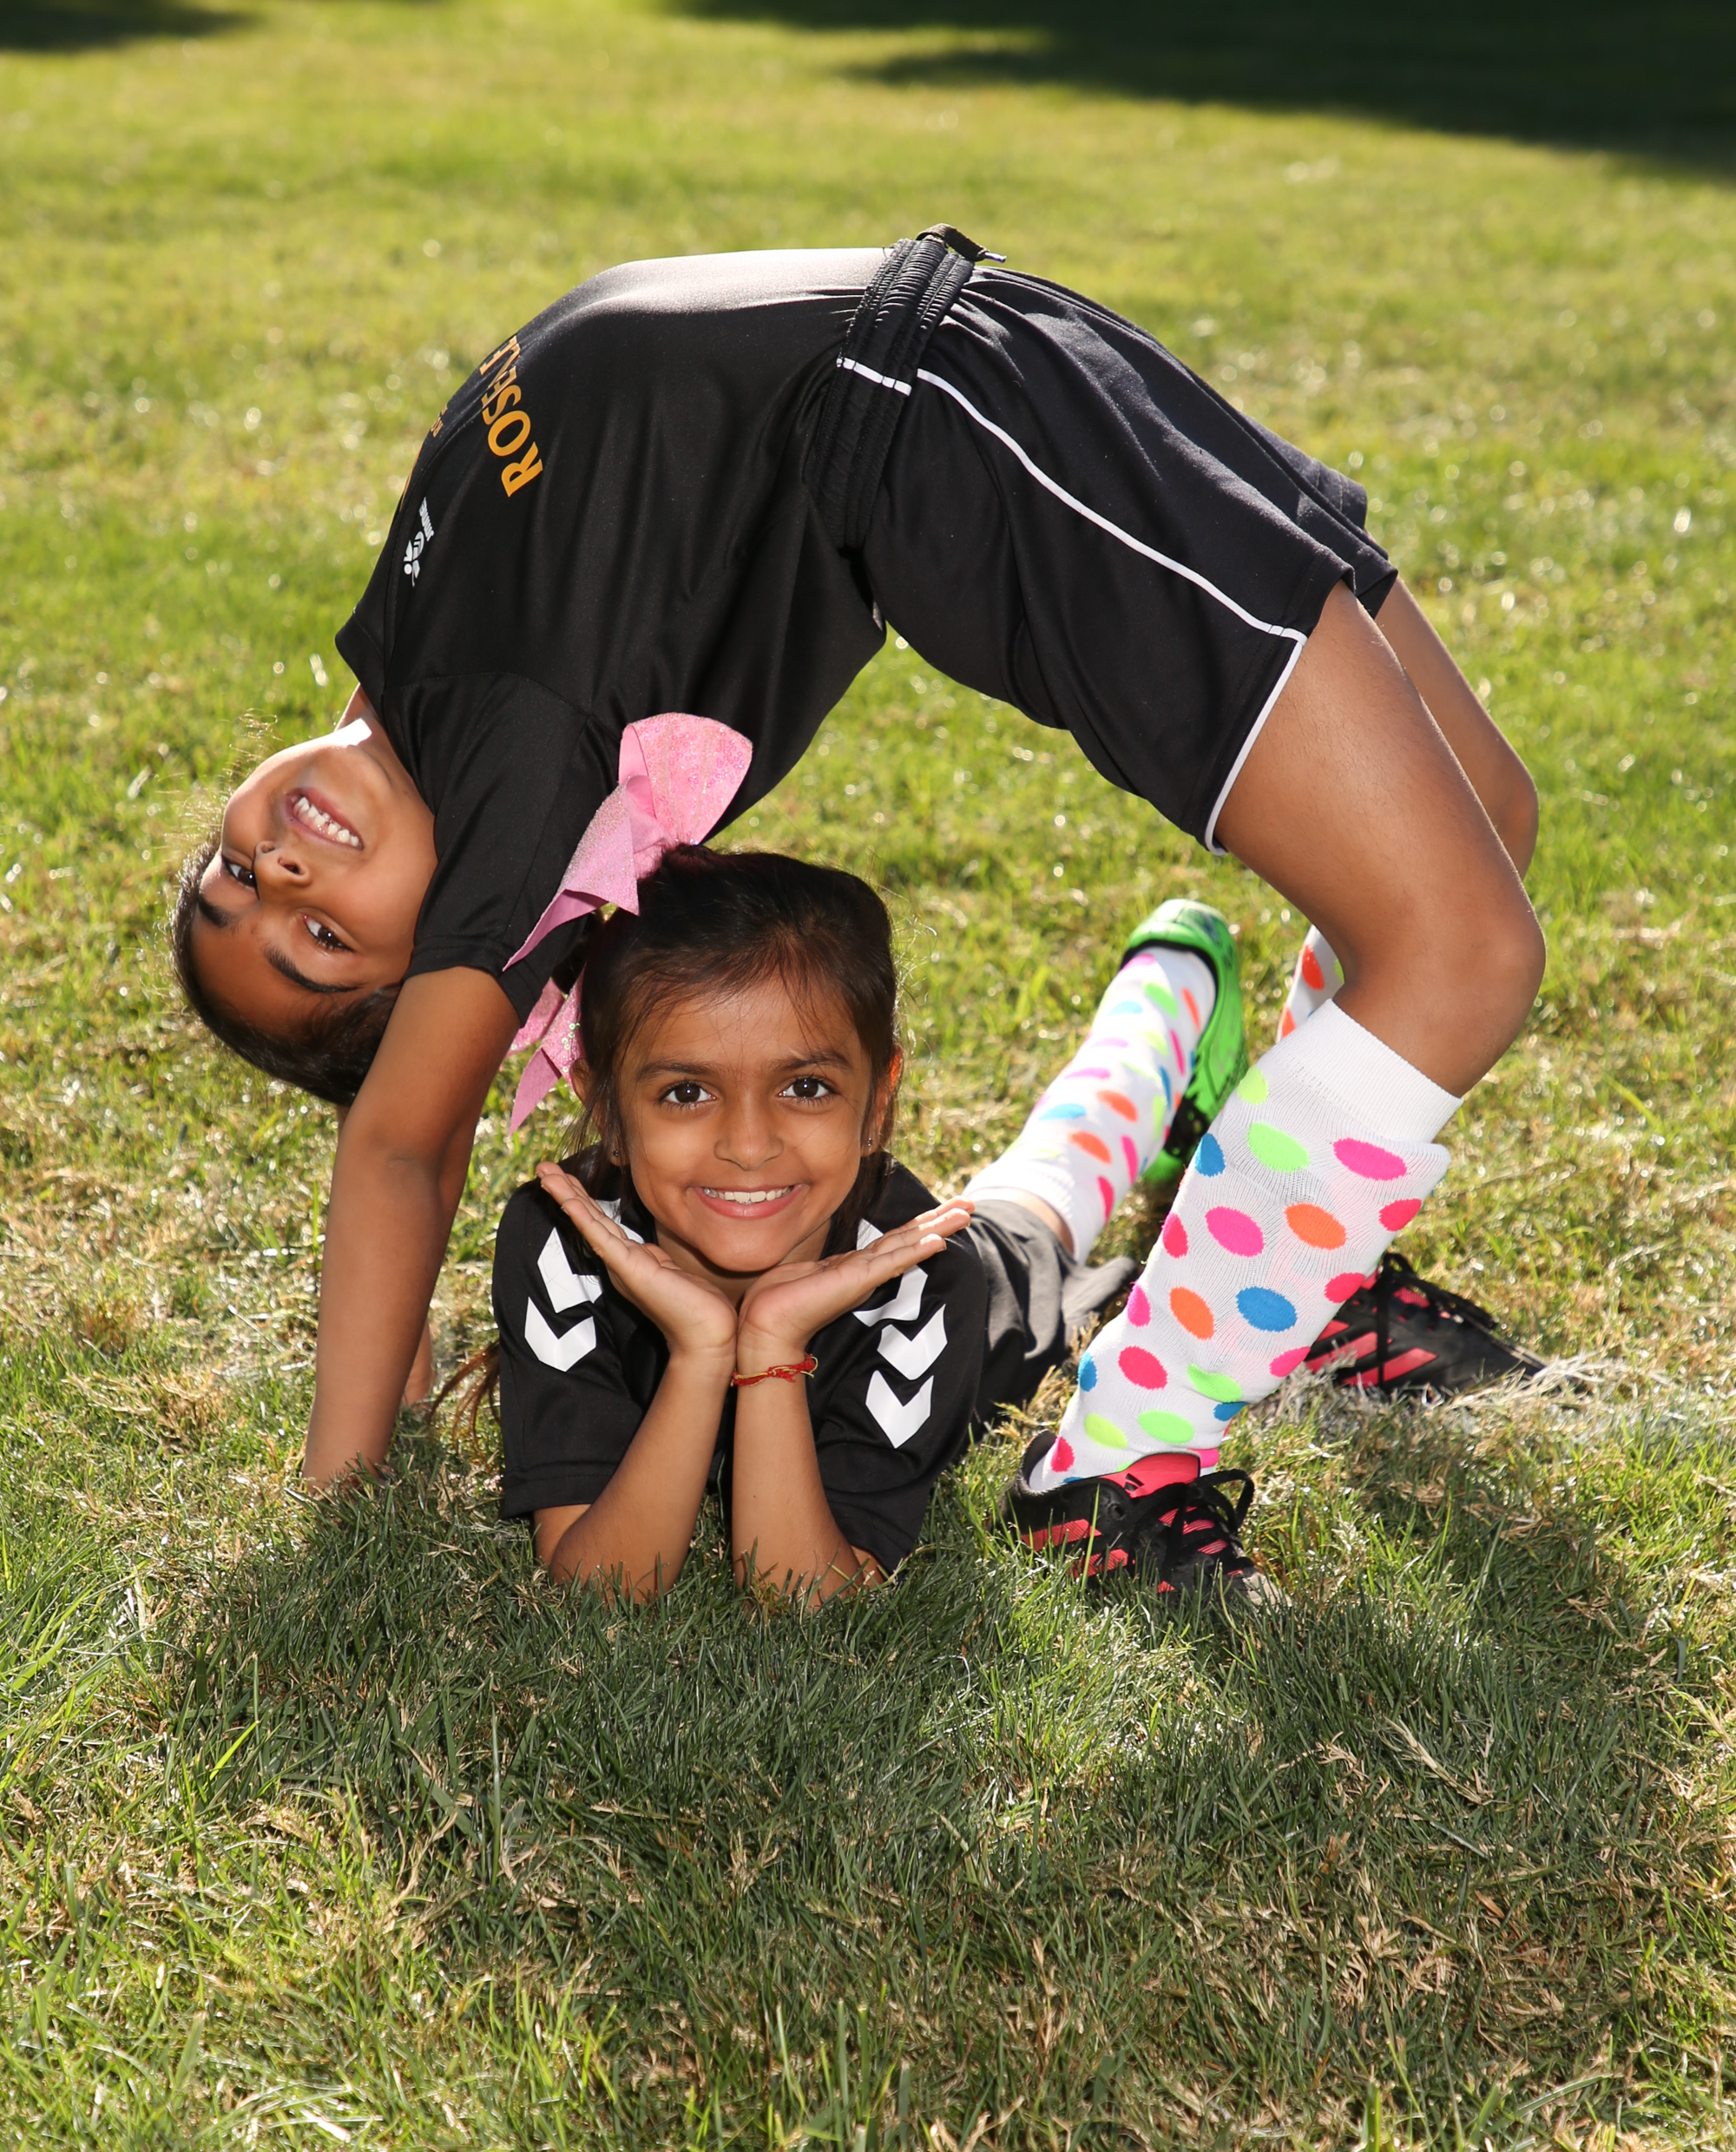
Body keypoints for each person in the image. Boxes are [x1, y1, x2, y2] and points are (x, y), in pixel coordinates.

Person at [170, 226, 1545, 1516]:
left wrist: (397, 1331)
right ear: (451, 954)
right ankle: (1120, 1471)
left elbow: (408, 1109)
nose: (282, 866)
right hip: (967, 433)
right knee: (1460, 951)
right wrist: (343, 1483)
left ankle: (1304, 1281)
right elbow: (404, 1141)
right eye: (320, 937)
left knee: (1487, 814)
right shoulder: (515, 766)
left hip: (993, 354)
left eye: (233, 872)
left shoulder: (413, 666)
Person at [478, 842, 1276, 1600]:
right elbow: (603, 1585)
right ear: (606, 1109)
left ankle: (1177, 974)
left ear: (877, 1102)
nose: (748, 1146)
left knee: (1059, 1176)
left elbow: (800, 1594)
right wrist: (703, 1350)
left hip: (988, 1275)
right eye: (686, 1092)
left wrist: (770, 1346)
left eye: (806, 1088)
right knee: (1046, 1166)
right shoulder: (564, 1242)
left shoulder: (928, 1278)